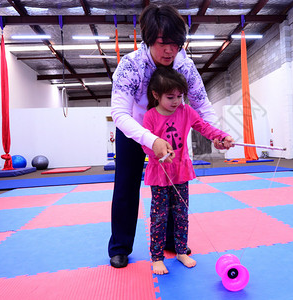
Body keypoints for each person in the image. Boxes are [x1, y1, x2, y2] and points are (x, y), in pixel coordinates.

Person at [108, 4, 231, 268]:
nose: (169, 50)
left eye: (175, 44)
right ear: (149, 39)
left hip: (169, 130)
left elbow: (201, 103)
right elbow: (119, 113)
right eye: (163, 43)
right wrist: (150, 139)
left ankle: (172, 241)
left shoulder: (184, 66)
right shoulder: (130, 65)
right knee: (126, 186)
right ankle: (119, 247)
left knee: (173, 185)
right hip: (134, 130)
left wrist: (216, 134)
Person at [143, 67, 233, 274]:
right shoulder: (150, 116)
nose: (176, 101)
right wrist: (160, 154)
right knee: (159, 216)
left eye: (180, 96)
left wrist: (221, 136)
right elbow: (145, 144)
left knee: (181, 214)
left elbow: (204, 127)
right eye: (170, 97)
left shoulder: (186, 111)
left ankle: (181, 250)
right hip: (160, 174)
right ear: (156, 95)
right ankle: (156, 257)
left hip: (181, 172)